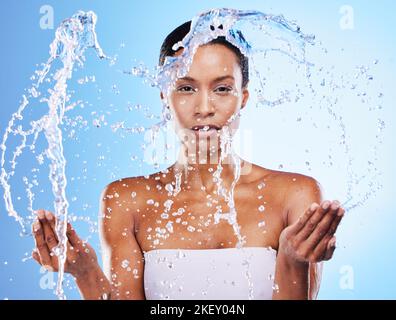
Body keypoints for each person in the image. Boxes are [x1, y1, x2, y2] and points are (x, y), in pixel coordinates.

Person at [31, 20, 344, 300]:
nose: (204, 107)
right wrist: (86, 275)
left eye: (222, 89)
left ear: (242, 98)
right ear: (165, 97)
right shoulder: (127, 201)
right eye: (186, 88)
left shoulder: (295, 194)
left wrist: (292, 260)